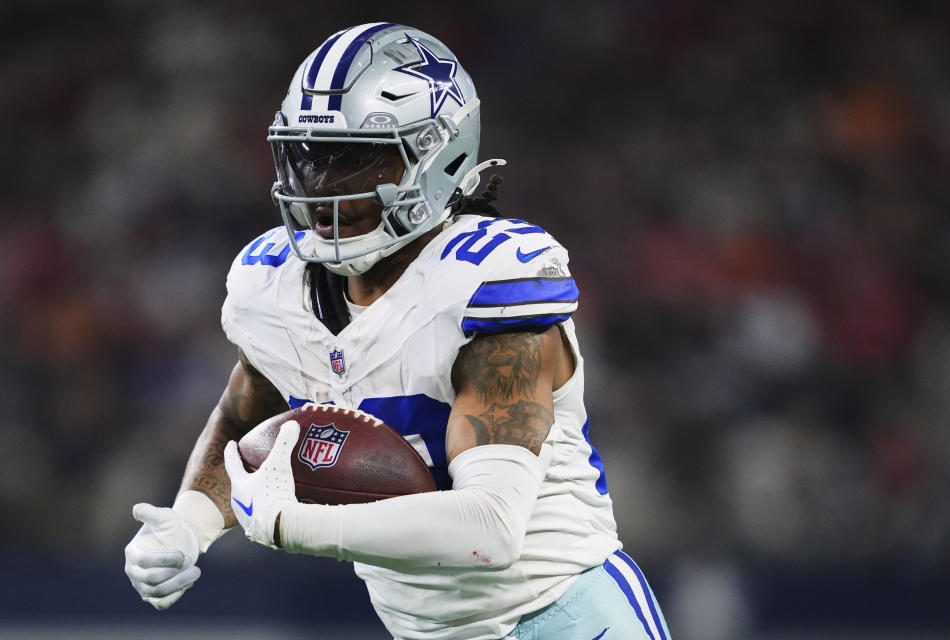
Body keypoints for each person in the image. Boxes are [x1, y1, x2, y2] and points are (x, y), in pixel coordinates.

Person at [123, 22, 672, 640]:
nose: (323, 189)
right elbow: (243, 420)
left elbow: (489, 528)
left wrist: (296, 525)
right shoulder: (272, 284)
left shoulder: (487, 284)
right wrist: (188, 523)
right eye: (310, 159)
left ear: (441, 156)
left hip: (560, 617)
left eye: (358, 161)